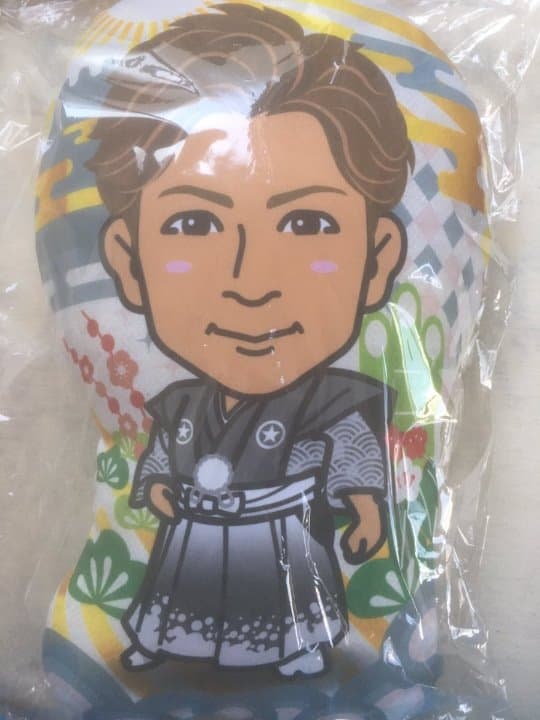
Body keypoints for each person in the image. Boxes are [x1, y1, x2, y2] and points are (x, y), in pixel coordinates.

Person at [87, 2, 414, 678]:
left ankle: (299, 648)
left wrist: (363, 505)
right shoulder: (180, 405)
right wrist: (157, 489)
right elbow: (158, 455)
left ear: (380, 259)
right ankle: (158, 642)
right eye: (193, 226)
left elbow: (354, 452)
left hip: (282, 529)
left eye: (308, 224)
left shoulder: (331, 403)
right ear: (127, 261)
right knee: (183, 593)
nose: (250, 283)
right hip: (196, 529)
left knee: (281, 605)